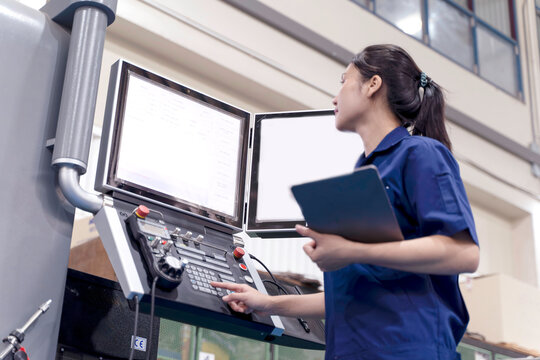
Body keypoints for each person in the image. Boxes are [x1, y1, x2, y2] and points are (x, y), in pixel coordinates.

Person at [211, 44, 480, 360]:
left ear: (372, 84)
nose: (335, 96)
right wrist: (269, 303)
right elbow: (351, 294)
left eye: (344, 81)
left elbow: (464, 254)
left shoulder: (420, 154)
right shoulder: (363, 173)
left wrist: (353, 250)